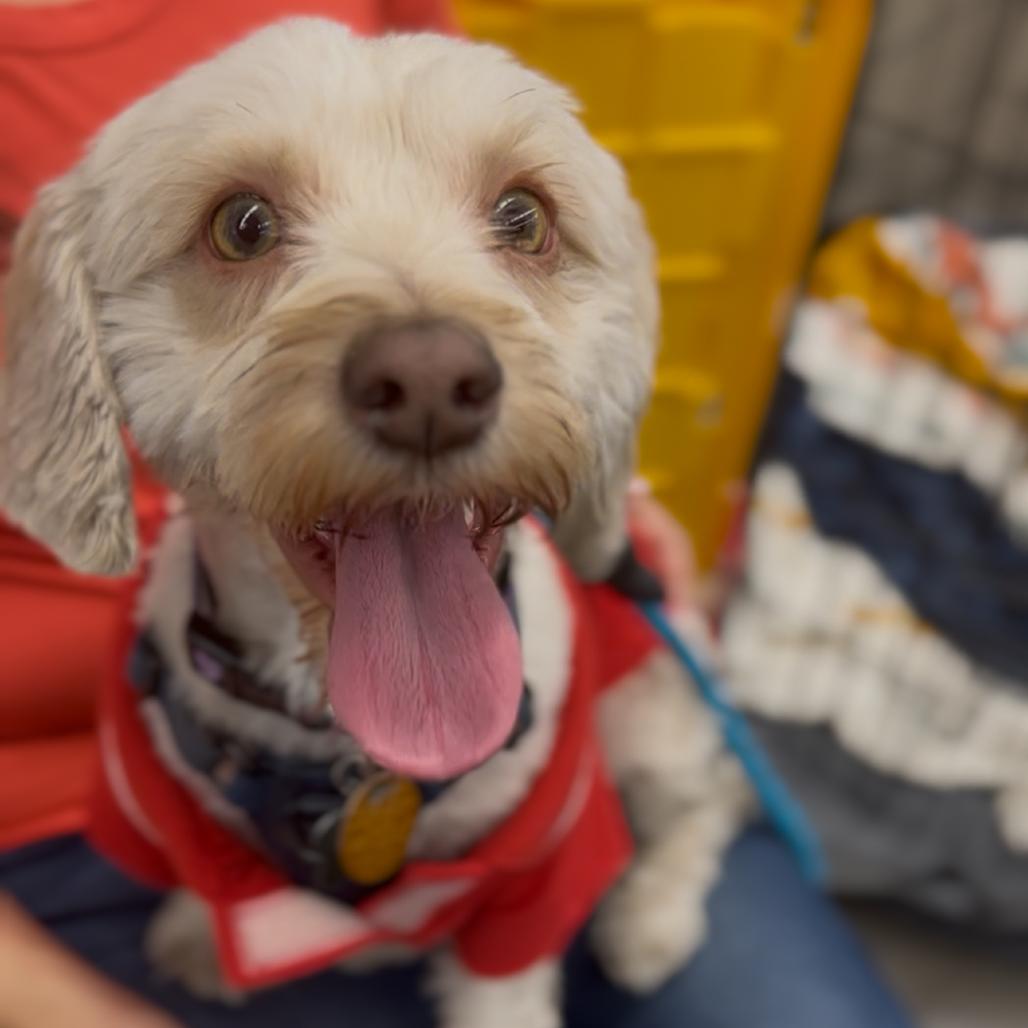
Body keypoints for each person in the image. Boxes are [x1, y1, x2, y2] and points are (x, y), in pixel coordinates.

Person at [0, 3, 913, 1025]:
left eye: (517, 223)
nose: (426, 355)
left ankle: (680, 847)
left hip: (560, 794)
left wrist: (607, 497)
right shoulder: (146, 702)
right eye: (243, 229)